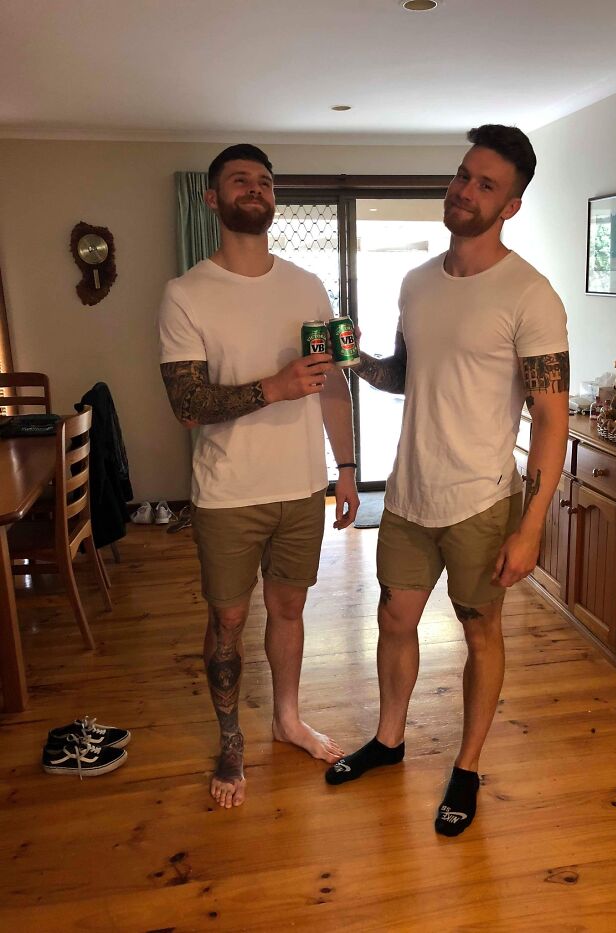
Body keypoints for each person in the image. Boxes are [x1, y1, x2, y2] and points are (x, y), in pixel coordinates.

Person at [325, 125, 570, 837]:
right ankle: (389, 740)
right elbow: (407, 374)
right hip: (407, 496)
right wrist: (355, 361)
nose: (464, 190)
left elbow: (550, 419)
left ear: (510, 206)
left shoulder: (531, 295)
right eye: (463, 174)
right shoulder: (417, 283)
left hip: (482, 503)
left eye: (485, 184)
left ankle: (466, 767)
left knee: (480, 631)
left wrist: (531, 526)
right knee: (393, 621)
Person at [159, 143, 359, 810]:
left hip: (301, 487)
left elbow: (332, 386)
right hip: (227, 494)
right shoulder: (186, 293)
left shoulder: (307, 285)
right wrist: (273, 387)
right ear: (212, 199)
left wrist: (347, 469)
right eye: (240, 179)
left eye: (265, 180)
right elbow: (188, 406)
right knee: (228, 618)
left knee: (289, 608)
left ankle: (287, 718)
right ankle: (230, 739)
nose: (255, 188)